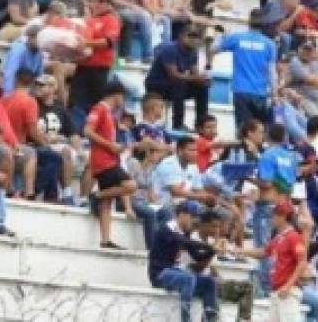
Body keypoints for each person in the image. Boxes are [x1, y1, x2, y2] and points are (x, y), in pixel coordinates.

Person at [84, 79, 137, 249]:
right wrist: (110, 146)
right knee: (130, 185)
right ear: (117, 95)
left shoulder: (109, 114)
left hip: (108, 159)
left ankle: (105, 239)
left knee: (107, 202)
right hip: (104, 160)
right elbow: (87, 131)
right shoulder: (99, 109)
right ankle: (95, 196)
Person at [150, 202, 220, 322]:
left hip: (175, 273)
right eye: (192, 216)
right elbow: (183, 242)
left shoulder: (184, 233)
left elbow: (197, 256)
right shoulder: (167, 228)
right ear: (182, 214)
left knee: (209, 282)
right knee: (188, 278)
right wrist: (209, 247)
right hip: (160, 273)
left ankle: (209, 319)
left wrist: (213, 250)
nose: (194, 221)